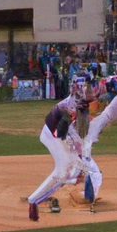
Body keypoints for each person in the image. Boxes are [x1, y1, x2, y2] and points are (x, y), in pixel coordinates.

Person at [26, 83, 97, 220]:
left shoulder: (76, 103)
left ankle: (75, 180)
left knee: (74, 168)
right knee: (62, 172)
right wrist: (74, 148)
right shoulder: (71, 108)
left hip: (58, 135)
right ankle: (32, 201)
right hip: (52, 136)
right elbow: (60, 133)